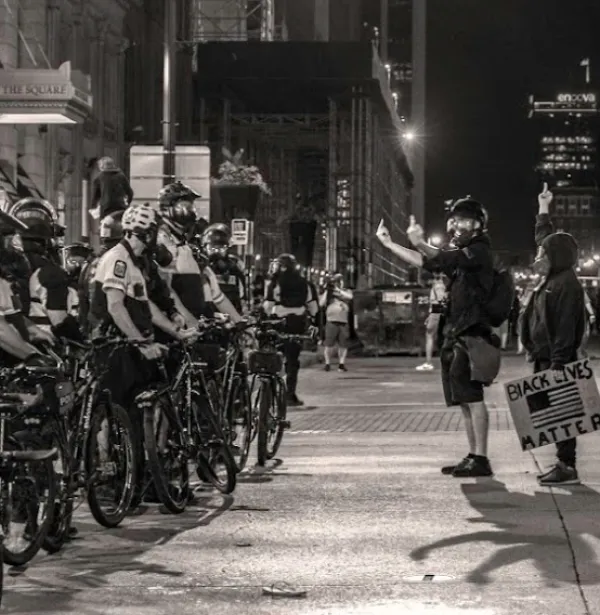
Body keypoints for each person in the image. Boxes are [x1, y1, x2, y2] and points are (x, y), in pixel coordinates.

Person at [377, 199, 508, 478]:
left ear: (478, 225)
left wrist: (420, 241)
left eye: (465, 221)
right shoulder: (461, 257)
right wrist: (390, 244)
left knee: (473, 398)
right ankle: (473, 455)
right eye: (455, 221)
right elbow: (428, 262)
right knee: (464, 400)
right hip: (456, 334)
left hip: (472, 334)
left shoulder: (479, 251)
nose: (458, 226)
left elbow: (443, 258)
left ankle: (481, 458)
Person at [520, 183, 586, 486]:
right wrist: (543, 208)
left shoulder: (566, 284)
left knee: (563, 412)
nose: (538, 255)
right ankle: (563, 462)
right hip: (545, 356)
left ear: (555, 256)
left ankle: (567, 465)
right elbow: (545, 240)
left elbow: (565, 328)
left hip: (556, 359)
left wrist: (559, 363)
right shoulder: (554, 275)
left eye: (543, 253)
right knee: (550, 411)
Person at [156, 182, 242, 325]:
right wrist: (192, 323)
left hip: (195, 325)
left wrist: (240, 323)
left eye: (192, 206)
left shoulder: (184, 244)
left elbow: (216, 295)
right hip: (179, 328)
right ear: (168, 208)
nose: (192, 211)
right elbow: (166, 290)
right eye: (186, 206)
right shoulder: (163, 240)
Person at [10, 198, 84, 342]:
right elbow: (60, 321)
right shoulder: (49, 273)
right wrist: (80, 342)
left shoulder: (10, 270)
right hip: (44, 346)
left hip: (15, 343)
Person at [263, 253, 318, 406]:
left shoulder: (275, 283)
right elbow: (313, 307)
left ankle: (270, 391)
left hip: (277, 322)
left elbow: (268, 304)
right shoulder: (305, 283)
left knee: (273, 356)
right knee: (293, 360)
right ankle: (290, 394)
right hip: (297, 323)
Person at [201, 223, 247, 314]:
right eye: (212, 249)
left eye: (221, 248)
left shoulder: (235, 269)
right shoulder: (200, 268)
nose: (216, 252)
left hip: (231, 317)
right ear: (205, 248)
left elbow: (243, 298)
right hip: (207, 317)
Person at [320, 273, 353, 372]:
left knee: (343, 344)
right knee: (328, 344)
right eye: (336, 281)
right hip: (331, 321)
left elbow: (350, 297)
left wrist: (338, 290)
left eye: (339, 281)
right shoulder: (328, 292)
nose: (338, 283)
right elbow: (321, 303)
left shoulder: (346, 291)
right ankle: (327, 364)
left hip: (343, 321)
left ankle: (341, 364)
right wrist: (327, 291)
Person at [416, 272, 447, 371]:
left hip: (436, 312)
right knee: (431, 336)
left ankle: (428, 362)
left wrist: (433, 315)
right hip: (435, 313)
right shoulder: (438, 286)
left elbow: (441, 301)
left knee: (429, 335)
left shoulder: (438, 287)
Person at [90, 156, 133, 222]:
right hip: (120, 207)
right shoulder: (121, 176)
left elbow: (95, 196)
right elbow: (130, 193)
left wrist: (93, 207)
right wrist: (127, 203)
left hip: (106, 209)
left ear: (102, 166)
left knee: (105, 225)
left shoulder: (99, 177)